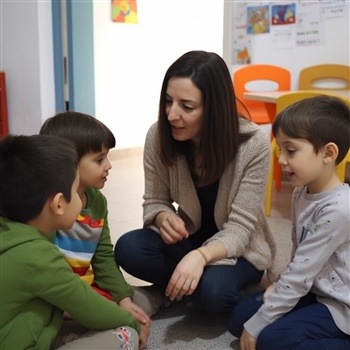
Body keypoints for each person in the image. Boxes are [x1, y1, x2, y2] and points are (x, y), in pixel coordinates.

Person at [114, 50, 276, 318]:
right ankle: (185, 287)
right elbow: (154, 200)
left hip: (240, 249)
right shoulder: (158, 135)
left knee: (213, 294)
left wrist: (200, 257)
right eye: (168, 101)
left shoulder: (254, 144)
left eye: (186, 107)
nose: (171, 115)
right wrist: (163, 216)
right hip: (192, 238)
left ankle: (184, 290)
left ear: (214, 108)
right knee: (128, 248)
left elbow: (239, 229)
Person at [0, 134, 149, 349]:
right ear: (59, 204)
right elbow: (85, 305)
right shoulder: (39, 256)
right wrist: (132, 323)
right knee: (126, 335)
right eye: (76, 190)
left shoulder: (13, 233)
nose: (81, 198)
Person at [229, 95, 350, 350]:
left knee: (271, 340)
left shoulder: (339, 210)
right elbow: (299, 258)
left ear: (328, 153)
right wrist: (279, 284)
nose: (281, 159)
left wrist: (262, 321)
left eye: (290, 150)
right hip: (312, 289)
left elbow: (301, 274)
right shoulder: (301, 192)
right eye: (280, 149)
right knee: (239, 320)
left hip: (341, 304)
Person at [39, 112, 150, 347]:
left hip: (86, 288)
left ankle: (162, 295)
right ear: (69, 165)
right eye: (99, 160)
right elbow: (46, 278)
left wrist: (123, 297)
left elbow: (103, 258)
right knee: (124, 323)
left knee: (133, 301)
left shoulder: (97, 202)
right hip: (55, 296)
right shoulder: (46, 208)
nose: (109, 165)